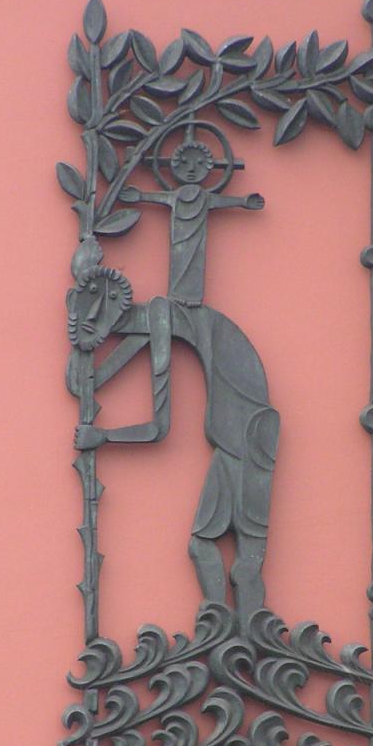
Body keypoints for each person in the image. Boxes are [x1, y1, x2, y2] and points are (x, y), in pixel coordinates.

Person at [74, 138, 279, 632]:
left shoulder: (171, 316)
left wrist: (103, 435)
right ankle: (232, 630)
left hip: (245, 440)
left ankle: (231, 632)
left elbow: (157, 427)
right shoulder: (191, 324)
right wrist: (96, 372)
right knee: (229, 551)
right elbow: (131, 344)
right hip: (251, 437)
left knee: (218, 549)